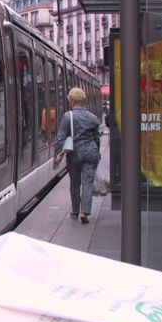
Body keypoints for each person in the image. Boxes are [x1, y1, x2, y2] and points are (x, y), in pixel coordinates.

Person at [54, 87, 101, 224]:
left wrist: (58, 155)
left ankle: (75, 210)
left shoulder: (68, 116)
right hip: (91, 151)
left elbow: (61, 138)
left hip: (75, 153)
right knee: (88, 182)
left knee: (75, 183)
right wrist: (97, 151)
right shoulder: (93, 117)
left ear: (72, 100)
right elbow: (96, 137)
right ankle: (85, 212)